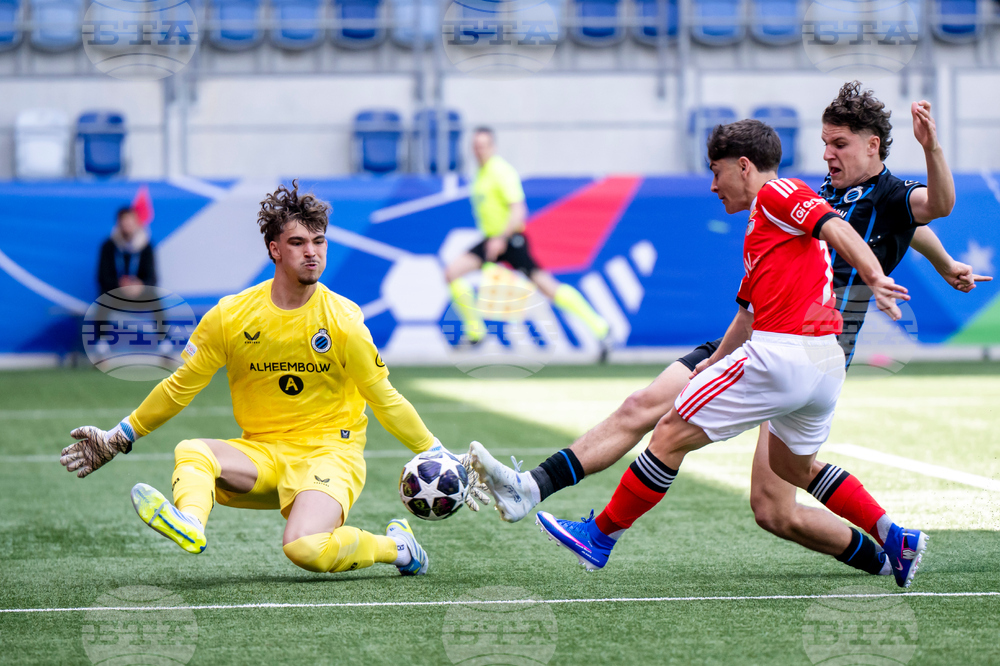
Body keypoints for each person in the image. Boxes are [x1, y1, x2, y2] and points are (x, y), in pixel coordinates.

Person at [469, 83, 989, 584]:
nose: (827, 154)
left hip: (798, 346)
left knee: (770, 505)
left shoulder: (887, 196)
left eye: (839, 144)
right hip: (760, 335)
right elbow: (896, 229)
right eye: (825, 143)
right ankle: (530, 488)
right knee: (644, 407)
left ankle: (881, 552)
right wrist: (944, 263)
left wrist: (932, 157)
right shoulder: (822, 192)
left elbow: (929, 210)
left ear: (872, 145)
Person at [61, 182, 486, 577]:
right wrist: (119, 437)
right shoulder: (230, 316)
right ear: (274, 250)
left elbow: (385, 399)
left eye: (318, 241)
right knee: (192, 451)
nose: (312, 253)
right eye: (298, 243)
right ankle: (190, 521)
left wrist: (440, 454)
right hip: (261, 455)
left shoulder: (344, 321)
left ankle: (396, 547)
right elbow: (179, 386)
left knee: (304, 548)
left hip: (330, 454)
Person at [445, 127, 611, 354]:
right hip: (491, 239)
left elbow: (519, 210)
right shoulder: (481, 174)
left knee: (547, 287)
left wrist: (502, 239)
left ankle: (600, 328)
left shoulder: (501, 171)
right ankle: (476, 333)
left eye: (483, 146)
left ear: (493, 147)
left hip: (509, 239)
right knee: (452, 273)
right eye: (475, 146)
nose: (479, 151)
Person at [98, 206, 157, 297]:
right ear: (119, 223)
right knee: (103, 298)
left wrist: (139, 285)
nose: (127, 224)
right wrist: (120, 284)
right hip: (115, 290)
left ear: (137, 223)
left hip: (139, 291)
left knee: (155, 297)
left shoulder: (146, 245)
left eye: (131, 221)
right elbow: (103, 277)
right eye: (124, 221)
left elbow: (152, 278)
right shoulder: (109, 246)